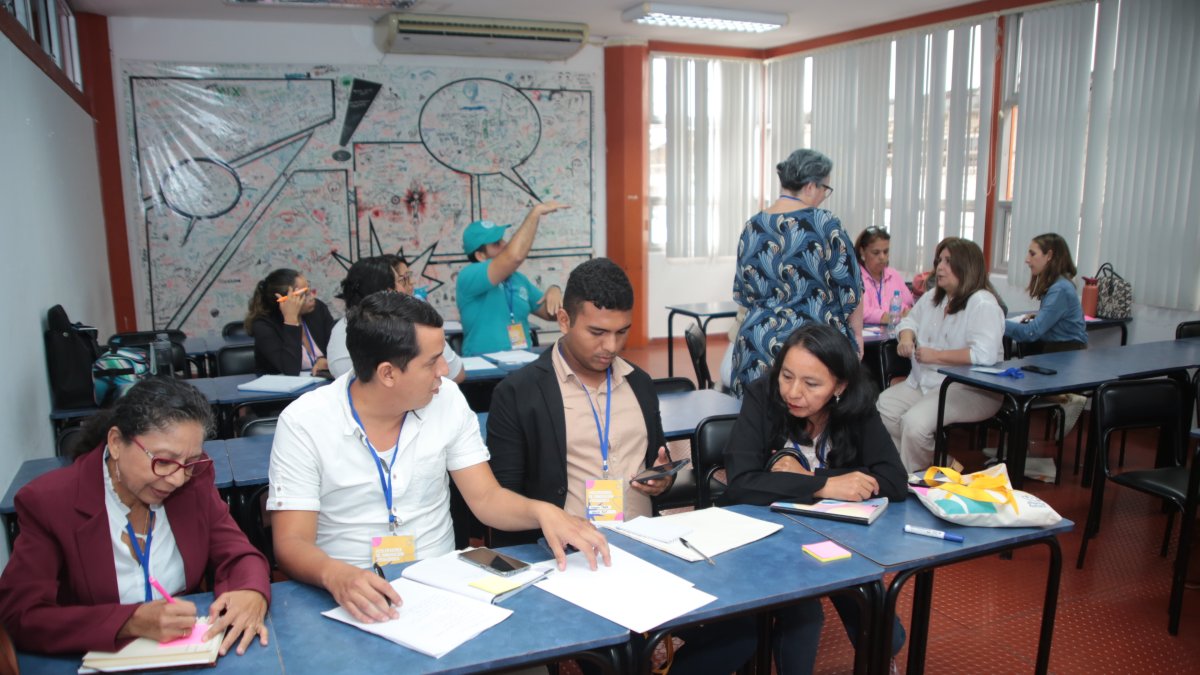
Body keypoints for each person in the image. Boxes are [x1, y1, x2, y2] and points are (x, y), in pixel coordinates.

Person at [268, 290, 609, 624]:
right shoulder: (305, 422)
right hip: (350, 592)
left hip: (445, 584)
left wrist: (542, 511)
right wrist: (335, 575)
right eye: (432, 362)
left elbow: (486, 498)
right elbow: (291, 541)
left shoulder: (447, 399)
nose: (445, 370)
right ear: (387, 373)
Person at [488, 257, 756, 674]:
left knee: (748, 620)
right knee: (621, 659)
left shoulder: (640, 385)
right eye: (597, 332)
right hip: (574, 560)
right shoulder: (518, 394)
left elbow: (656, 467)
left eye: (621, 332)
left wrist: (660, 481)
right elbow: (501, 499)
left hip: (647, 547)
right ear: (563, 319)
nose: (611, 347)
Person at [0, 378, 270, 656]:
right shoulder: (51, 502)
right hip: (98, 657)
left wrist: (251, 591)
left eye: (189, 463)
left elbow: (238, 554)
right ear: (116, 443)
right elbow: (21, 615)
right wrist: (128, 623)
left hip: (185, 649)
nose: (177, 478)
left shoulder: (194, 482)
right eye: (163, 461)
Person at [723, 323, 908, 674]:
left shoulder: (857, 409)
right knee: (804, 615)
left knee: (877, 613)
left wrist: (814, 479)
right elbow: (741, 483)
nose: (793, 392)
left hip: (835, 534)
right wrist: (824, 488)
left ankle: (881, 654)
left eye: (811, 384)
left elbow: (895, 481)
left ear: (839, 386)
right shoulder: (763, 396)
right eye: (787, 376)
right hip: (769, 539)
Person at [730, 148, 863, 398]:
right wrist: (856, 337)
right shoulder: (825, 223)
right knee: (809, 429)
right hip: (812, 349)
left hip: (756, 344)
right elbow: (851, 289)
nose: (825, 197)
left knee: (758, 425)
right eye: (825, 189)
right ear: (811, 186)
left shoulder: (752, 226)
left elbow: (743, 293)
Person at [876, 238, 1006, 472]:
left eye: (948, 261)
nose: (939, 267)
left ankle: (909, 481)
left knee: (914, 424)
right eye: (939, 261)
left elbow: (984, 354)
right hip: (926, 381)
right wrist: (906, 337)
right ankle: (940, 462)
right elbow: (908, 321)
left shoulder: (982, 303)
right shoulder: (934, 296)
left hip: (968, 388)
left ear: (966, 266)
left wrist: (937, 355)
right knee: (883, 408)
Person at [327, 255, 465, 383]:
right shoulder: (411, 327)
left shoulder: (339, 329)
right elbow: (456, 373)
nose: (410, 286)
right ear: (387, 292)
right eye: (402, 280)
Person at [455, 201, 568, 356]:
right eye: (496, 243)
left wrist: (554, 290)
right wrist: (535, 213)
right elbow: (514, 256)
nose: (505, 244)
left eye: (502, 239)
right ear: (480, 255)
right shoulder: (468, 276)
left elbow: (551, 314)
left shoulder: (518, 279)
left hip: (521, 366)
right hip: (484, 372)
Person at [1006, 233, 1087, 353]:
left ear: (1049, 255)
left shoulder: (1060, 289)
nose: (1027, 259)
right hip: (1058, 349)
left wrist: (997, 322)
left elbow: (1030, 333)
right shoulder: (1057, 284)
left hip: (1065, 352)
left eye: (1032, 254)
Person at [246, 268, 335, 376]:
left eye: (309, 290)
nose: (312, 297)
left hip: (322, 385)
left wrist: (326, 361)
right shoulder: (263, 326)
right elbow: (290, 370)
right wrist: (291, 321)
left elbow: (338, 349)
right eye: (305, 294)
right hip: (283, 390)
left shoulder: (318, 310)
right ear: (284, 301)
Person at [855, 227, 914, 325]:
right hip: (869, 336)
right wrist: (888, 317)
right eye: (876, 252)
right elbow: (861, 312)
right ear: (862, 251)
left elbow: (908, 303)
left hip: (897, 332)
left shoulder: (893, 274)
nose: (882, 257)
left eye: (886, 252)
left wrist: (908, 312)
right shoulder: (855, 276)